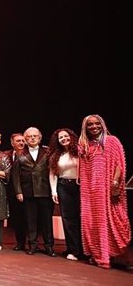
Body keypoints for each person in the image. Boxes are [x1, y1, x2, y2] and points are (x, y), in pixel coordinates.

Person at [78, 114, 131, 269]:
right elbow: (84, 171)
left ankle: (119, 256)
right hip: (90, 192)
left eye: (97, 124)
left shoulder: (112, 141)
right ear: (85, 127)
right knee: (93, 223)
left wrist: (115, 183)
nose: (94, 127)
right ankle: (100, 254)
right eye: (90, 125)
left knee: (114, 221)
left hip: (108, 190)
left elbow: (119, 165)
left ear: (102, 125)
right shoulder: (84, 145)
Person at [12, 127, 56, 257]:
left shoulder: (48, 152)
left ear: (40, 137)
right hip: (28, 192)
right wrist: (18, 191)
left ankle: (49, 246)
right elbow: (16, 176)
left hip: (45, 191)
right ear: (25, 139)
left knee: (46, 221)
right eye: (29, 136)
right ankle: (33, 245)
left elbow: (53, 172)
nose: (32, 138)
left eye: (34, 136)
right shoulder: (19, 154)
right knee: (30, 220)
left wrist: (53, 191)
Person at [47, 128, 82, 261]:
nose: (64, 139)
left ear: (71, 136)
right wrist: (54, 191)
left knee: (81, 218)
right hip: (63, 186)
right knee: (68, 219)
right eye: (61, 138)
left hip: (79, 186)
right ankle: (73, 249)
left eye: (66, 136)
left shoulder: (79, 151)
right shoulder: (56, 155)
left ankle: (84, 249)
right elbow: (53, 174)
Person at [5, 133, 27, 251]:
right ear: (12, 143)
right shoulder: (6, 155)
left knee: (30, 218)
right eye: (18, 141)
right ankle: (20, 243)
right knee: (17, 218)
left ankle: (33, 243)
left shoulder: (30, 154)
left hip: (28, 190)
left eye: (23, 141)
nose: (21, 143)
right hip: (12, 191)